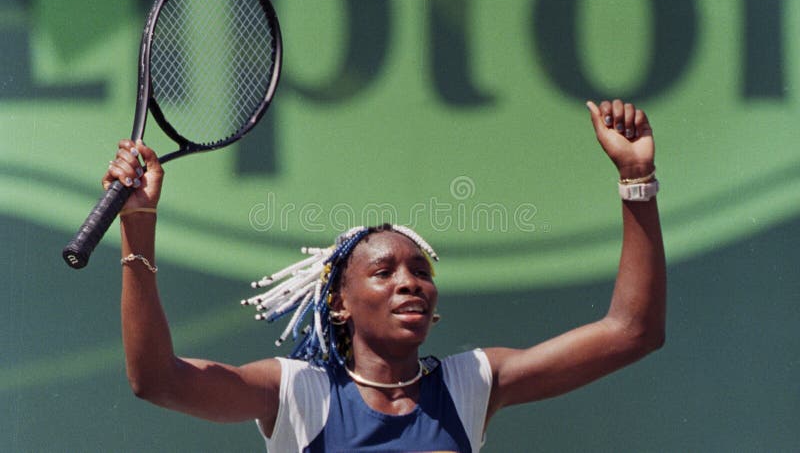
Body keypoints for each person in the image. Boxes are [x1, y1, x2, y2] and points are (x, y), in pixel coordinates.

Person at [105, 99, 665, 451]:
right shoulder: (298, 393)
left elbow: (631, 332)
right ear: (340, 304)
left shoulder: (469, 384)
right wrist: (138, 225)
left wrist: (637, 179)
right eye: (383, 271)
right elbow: (158, 380)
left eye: (421, 271)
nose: (409, 281)